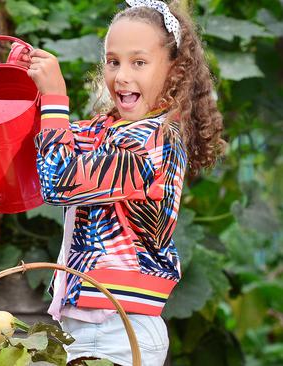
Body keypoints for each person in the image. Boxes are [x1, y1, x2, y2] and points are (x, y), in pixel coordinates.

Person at [16, 0, 224, 365]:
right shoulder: (105, 129)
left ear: (174, 70)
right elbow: (52, 140)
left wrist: (54, 97)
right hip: (91, 323)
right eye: (113, 61)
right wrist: (32, 90)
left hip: (117, 328)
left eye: (138, 62)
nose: (122, 75)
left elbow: (59, 181)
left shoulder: (154, 143)